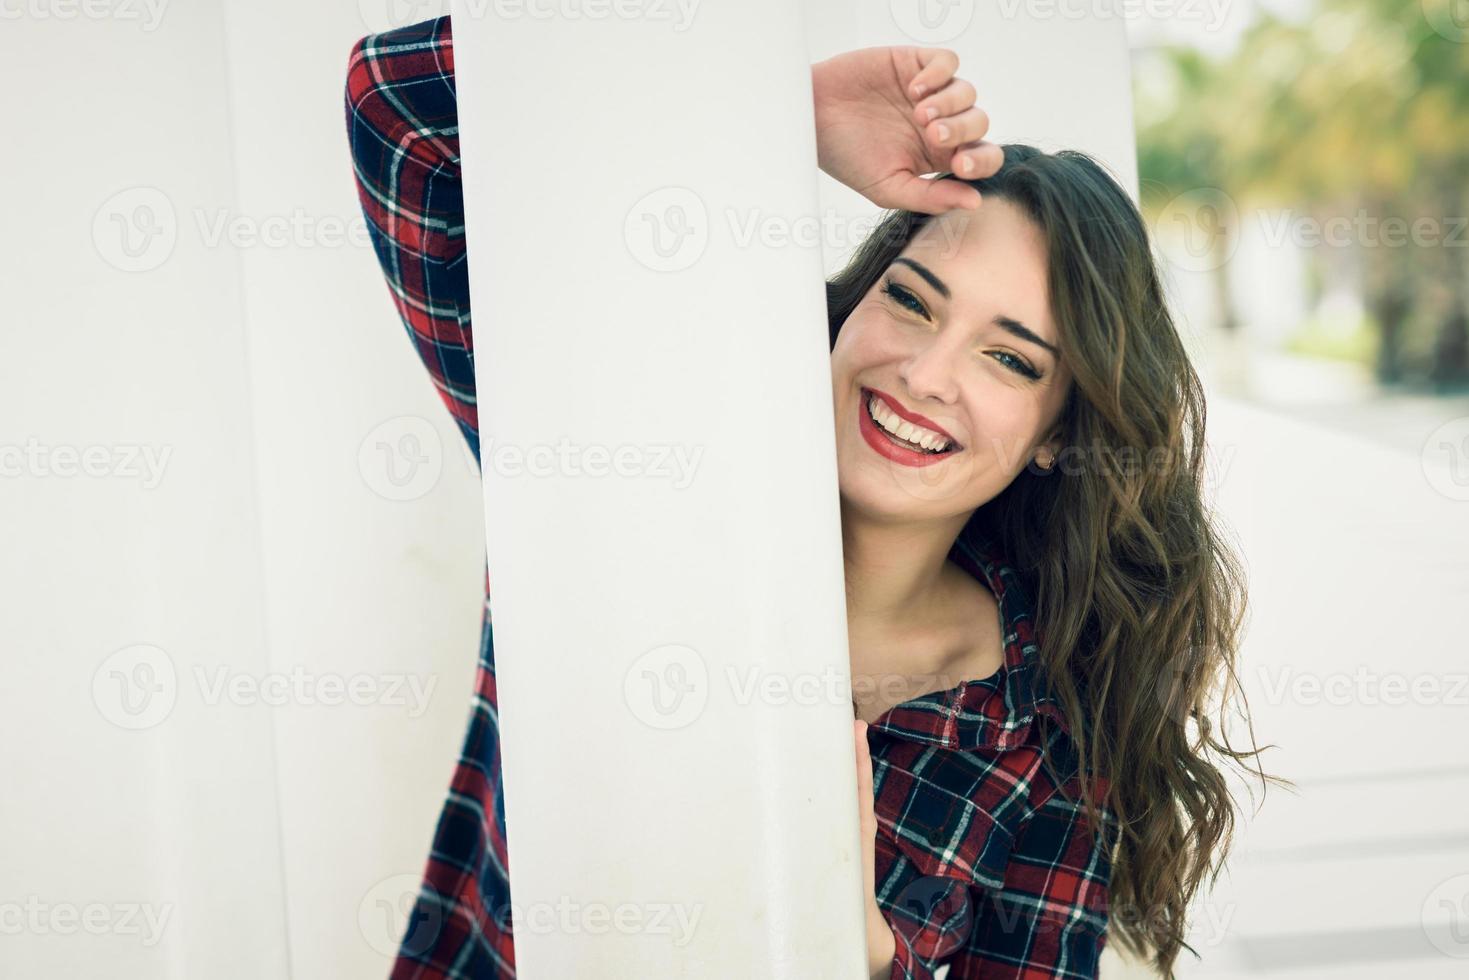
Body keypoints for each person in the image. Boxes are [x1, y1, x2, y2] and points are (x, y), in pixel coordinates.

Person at [344, 16, 1270, 979]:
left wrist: (864, 948)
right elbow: (399, 111)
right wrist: (775, 119)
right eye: (911, 300)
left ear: (1055, 440)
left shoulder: (1047, 735)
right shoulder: (632, 482)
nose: (923, 374)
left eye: (1007, 357)